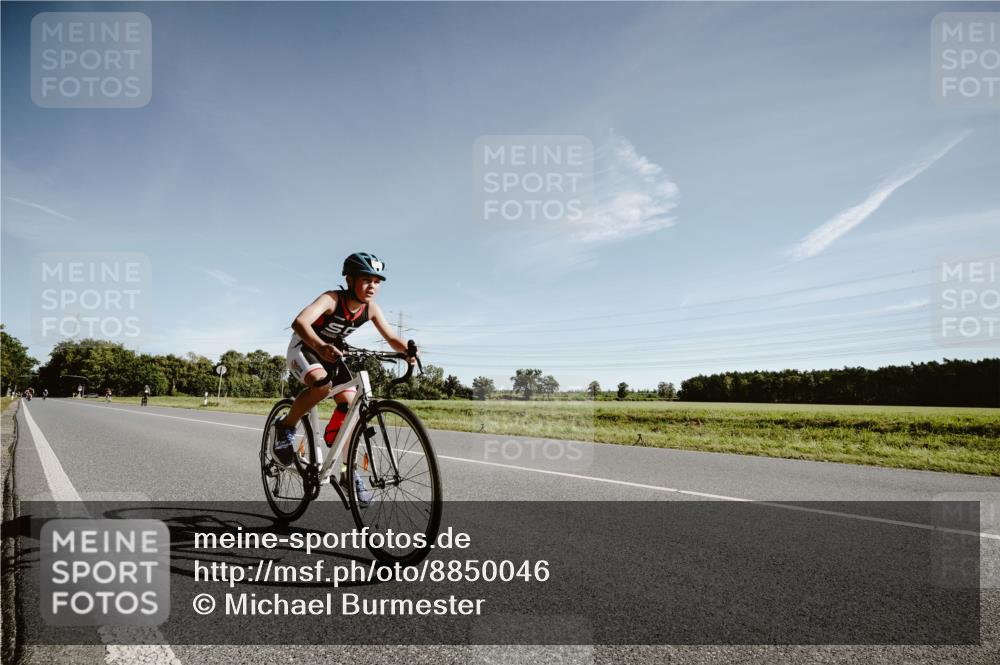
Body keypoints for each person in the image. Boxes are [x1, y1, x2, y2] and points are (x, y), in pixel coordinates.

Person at [274, 252, 416, 505]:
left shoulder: (370, 308)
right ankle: (285, 428)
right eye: (366, 280)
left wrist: (407, 352)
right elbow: (300, 323)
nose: (372, 286)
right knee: (321, 384)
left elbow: (392, 338)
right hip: (305, 348)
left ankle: (346, 472)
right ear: (349, 280)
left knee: (351, 405)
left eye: (377, 281)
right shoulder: (331, 299)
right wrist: (319, 346)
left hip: (332, 353)